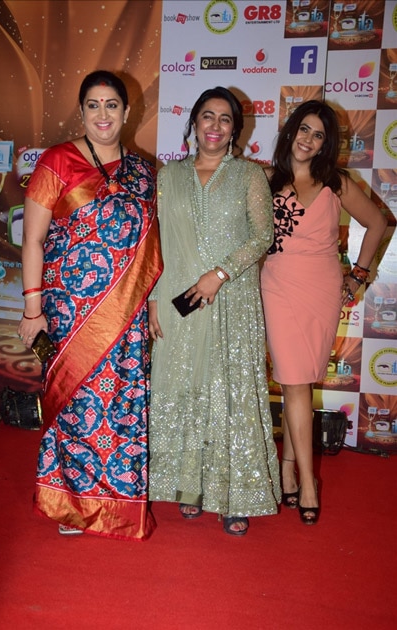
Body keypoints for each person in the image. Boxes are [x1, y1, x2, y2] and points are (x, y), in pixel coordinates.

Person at [17, 70, 163, 540]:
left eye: (112, 105)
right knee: (78, 405)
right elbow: (33, 240)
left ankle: (116, 503)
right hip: (70, 310)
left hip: (127, 312)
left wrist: (154, 301)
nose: (103, 114)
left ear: (126, 111)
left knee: (121, 402)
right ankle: (71, 505)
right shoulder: (57, 161)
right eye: (94, 105)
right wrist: (32, 308)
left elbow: (153, 247)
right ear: (81, 112)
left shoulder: (142, 172)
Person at [148, 86, 281, 536]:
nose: (215, 126)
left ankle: (235, 496)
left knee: (229, 395)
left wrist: (219, 275)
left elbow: (262, 235)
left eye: (225, 120)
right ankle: (190, 489)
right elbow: (157, 243)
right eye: (208, 116)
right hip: (178, 301)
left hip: (232, 302)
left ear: (235, 130)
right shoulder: (168, 177)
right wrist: (152, 302)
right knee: (184, 388)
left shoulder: (249, 176)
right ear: (194, 123)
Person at [260, 100, 387, 525]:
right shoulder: (264, 179)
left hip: (322, 289)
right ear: (290, 130)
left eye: (318, 135)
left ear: (325, 144)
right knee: (295, 382)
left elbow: (378, 224)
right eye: (303, 130)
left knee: (303, 380)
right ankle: (307, 482)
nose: (308, 140)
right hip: (277, 285)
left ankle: (288, 472)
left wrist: (359, 274)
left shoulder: (336, 182)